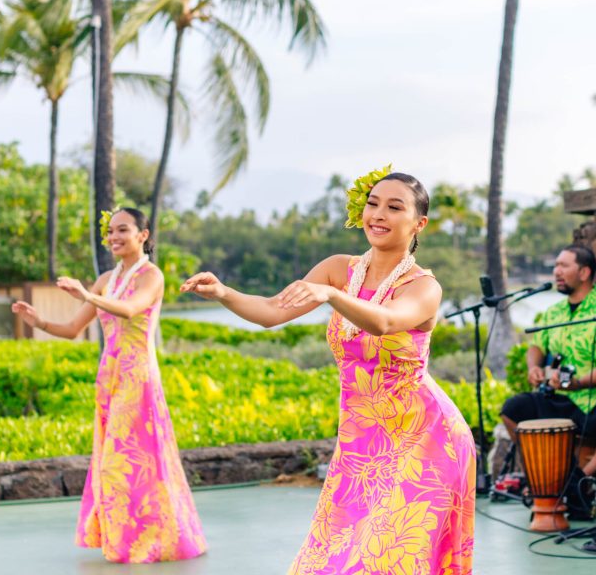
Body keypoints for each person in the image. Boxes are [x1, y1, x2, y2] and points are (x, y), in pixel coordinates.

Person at [181, 171, 476, 575]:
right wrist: (224, 293)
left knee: (385, 559)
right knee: (330, 559)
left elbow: (387, 322)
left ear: (418, 223)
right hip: (359, 445)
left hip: (424, 442)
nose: (379, 214)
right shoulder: (340, 268)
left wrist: (332, 295)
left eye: (395, 207)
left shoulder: (424, 286)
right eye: (373, 203)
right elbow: (272, 311)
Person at [12, 208, 207, 564]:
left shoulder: (152, 276)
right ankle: (127, 538)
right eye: (110, 232)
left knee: (129, 459)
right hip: (110, 377)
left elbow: (131, 309)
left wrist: (87, 295)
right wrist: (38, 321)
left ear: (143, 235)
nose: (114, 237)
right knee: (112, 459)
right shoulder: (105, 278)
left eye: (123, 230)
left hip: (138, 376)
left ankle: (147, 540)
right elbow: (72, 330)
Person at [499, 245, 596, 511]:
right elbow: (536, 346)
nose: (557, 272)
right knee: (513, 410)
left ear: (584, 272)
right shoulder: (553, 312)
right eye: (556, 266)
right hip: (559, 399)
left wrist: (576, 382)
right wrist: (534, 367)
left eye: (564, 266)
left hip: (595, 400)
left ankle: (581, 480)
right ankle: (542, 477)